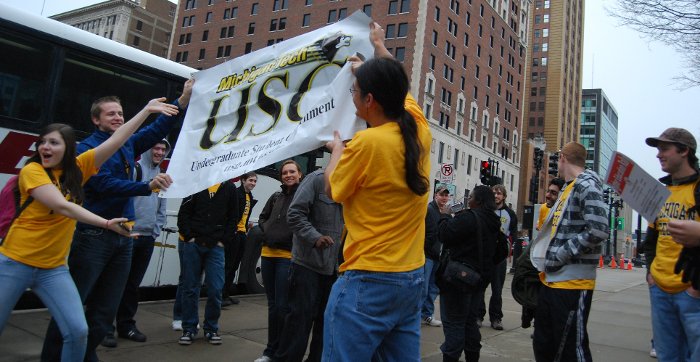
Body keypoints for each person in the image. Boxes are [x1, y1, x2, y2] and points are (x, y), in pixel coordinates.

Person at [0, 97, 178, 361]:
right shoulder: (34, 171)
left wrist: (146, 110)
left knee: (78, 330)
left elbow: (118, 140)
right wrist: (106, 223)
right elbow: (62, 206)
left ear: (69, 150)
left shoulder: (80, 167)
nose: (46, 147)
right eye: (43, 142)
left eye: (54, 143)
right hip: (16, 262)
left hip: (53, 269)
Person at [42, 79, 193, 362]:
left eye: (121, 114)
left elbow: (158, 128)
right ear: (95, 119)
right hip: (92, 238)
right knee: (73, 306)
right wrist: (145, 187)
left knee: (105, 310)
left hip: (124, 238)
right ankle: (52, 356)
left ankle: (85, 354)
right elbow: (103, 184)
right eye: (111, 113)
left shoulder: (127, 144)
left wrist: (181, 101)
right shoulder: (86, 149)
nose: (118, 118)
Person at [322, 22, 431, 362]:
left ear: (369, 100)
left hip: (367, 281)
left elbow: (331, 189)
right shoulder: (419, 131)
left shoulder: (367, 144)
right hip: (411, 278)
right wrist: (378, 47)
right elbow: (399, 84)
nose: (351, 96)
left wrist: (337, 150)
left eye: (354, 91)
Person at [530, 141, 608, 362]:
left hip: (572, 284)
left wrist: (560, 255)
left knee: (571, 349)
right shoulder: (568, 187)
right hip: (552, 280)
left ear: (563, 158)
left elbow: (600, 229)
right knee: (545, 344)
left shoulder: (587, 186)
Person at [101, 140, 171, 347]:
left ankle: (126, 325)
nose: (159, 152)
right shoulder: (135, 169)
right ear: (148, 150)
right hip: (129, 236)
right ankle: (105, 328)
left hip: (147, 238)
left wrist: (156, 230)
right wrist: (127, 228)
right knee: (115, 283)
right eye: (156, 148)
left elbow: (162, 206)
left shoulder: (163, 177)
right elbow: (122, 198)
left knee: (132, 285)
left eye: (163, 149)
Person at [274, 168, 343, 362]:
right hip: (308, 266)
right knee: (298, 321)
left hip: (336, 270)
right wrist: (315, 237)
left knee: (326, 324)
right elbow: (295, 214)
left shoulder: (353, 184)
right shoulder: (316, 179)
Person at [643, 127, 700, 361]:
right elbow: (651, 240)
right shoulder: (660, 192)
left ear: (684, 150)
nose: (658, 155)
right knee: (667, 357)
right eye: (658, 150)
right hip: (659, 290)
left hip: (692, 293)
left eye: (664, 149)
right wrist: (650, 274)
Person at [438, 186, 501, 362]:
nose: (469, 200)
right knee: (469, 322)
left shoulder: (469, 218)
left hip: (458, 280)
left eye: (471, 197)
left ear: (478, 201)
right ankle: (472, 356)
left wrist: (444, 214)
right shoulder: (494, 221)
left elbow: (444, 234)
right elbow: (502, 249)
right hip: (478, 280)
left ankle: (451, 356)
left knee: (454, 323)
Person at [176, 180, 239, 345]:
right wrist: (189, 237)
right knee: (190, 288)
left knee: (215, 289)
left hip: (216, 247)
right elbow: (184, 213)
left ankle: (211, 328)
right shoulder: (197, 183)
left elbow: (234, 217)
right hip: (194, 245)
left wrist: (223, 241)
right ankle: (189, 329)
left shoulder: (229, 188)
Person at [255, 160, 302, 362]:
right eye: (285, 172)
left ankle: (280, 353)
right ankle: (270, 351)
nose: (288, 175)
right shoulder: (276, 196)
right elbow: (262, 218)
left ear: (300, 174)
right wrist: (267, 232)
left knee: (283, 307)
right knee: (273, 306)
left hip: (286, 257)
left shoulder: (302, 196)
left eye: (292, 172)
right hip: (268, 255)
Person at [478, 184, 518, 330]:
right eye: (494, 193)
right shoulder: (485, 211)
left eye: (499, 193)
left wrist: (509, 252)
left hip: (499, 258)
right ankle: (478, 316)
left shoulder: (510, 214)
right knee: (480, 288)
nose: (496, 196)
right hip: (484, 256)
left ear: (504, 196)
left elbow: (513, 235)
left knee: (497, 290)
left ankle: (496, 318)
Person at [222, 172, 258, 306]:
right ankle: (221, 295)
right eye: (250, 180)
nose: (253, 183)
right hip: (234, 234)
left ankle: (226, 294)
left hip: (243, 233)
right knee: (228, 265)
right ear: (243, 180)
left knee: (235, 265)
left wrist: (246, 225)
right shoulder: (236, 194)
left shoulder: (249, 196)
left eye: (255, 181)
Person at [422, 186, 450, 327]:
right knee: (423, 288)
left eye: (446, 195)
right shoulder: (429, 210)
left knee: (433, 288)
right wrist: (427, 246)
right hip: (427, 255)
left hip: (439, 257)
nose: (444, 198)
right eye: (441, 195)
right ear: (435, 195)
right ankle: (416, 316)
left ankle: (427, 314)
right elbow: (426, 232)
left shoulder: (445, 213)